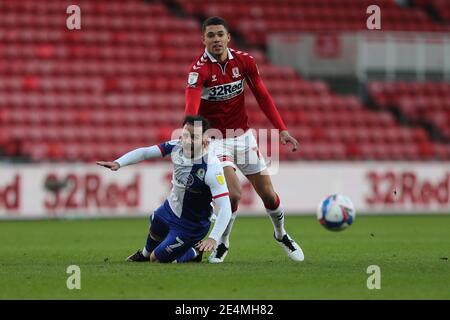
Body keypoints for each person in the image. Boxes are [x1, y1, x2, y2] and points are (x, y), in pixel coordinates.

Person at [185, 16, 304, 263]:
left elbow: (262, 95)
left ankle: (281, 234)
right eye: (211, 35)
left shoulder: (245, 61)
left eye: (220, 34)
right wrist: (197, 133)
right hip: (215, 140)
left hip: (243, 137)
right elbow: (191, 108)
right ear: (203, 39)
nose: (216, 39)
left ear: (229, 37)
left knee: (268, 196)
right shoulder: (199, 71)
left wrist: (281, 129)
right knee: (233, 194)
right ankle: (222, 242)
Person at [96, 115, 232, 263]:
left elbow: (226, 207)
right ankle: (144, 254)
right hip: (170, 209)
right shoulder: (176, 146)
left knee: (157, 259)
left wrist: (213, 238)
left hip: (191, 224)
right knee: (155, 221)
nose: (187, 141)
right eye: (185, 135)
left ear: (205, 140)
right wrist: (118, 163)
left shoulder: (211, 167)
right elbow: (145, 152)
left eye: (194, 137)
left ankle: (194, 251)